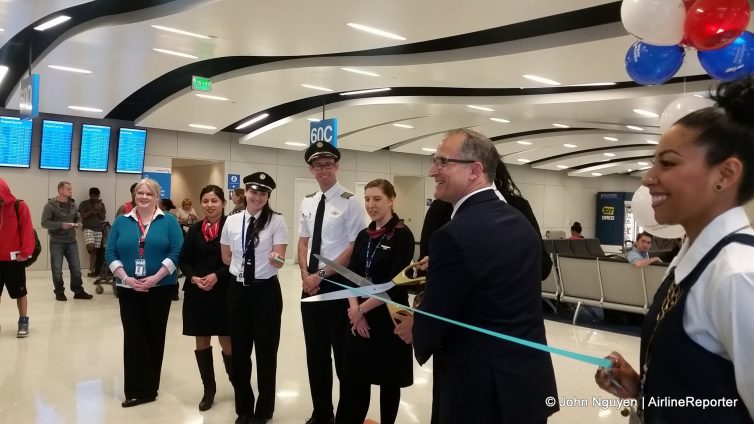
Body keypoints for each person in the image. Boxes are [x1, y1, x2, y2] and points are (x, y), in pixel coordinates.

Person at [595, 77, 754, 422]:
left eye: (666, 163)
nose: (648, 177)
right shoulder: (690, 257)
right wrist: (646, 389)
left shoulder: (739, 275)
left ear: (725, 174)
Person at [410, 128, 558, 423]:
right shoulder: (520, 222)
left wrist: (416, 328)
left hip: (479, 390)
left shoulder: (452, 236)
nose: (432, 171)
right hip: (527, 383)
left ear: (474, 170)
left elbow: (435, 322)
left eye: (442, 162)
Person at [335, 179, 415, 424]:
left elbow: (393, 283)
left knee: (389, 382)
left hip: (389, 318)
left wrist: (360, 310)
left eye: (377, 199)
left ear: (391, 200)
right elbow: (350, 275)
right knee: (356, 379)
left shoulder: (403, 237)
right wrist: (354, 310)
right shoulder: (363, 236)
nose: (371, 204)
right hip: (359, 315)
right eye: (367, 199)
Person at [298, 141, 365, 424]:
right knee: (316, 354)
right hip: (309, 285)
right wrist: (305, 274)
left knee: (342, 355)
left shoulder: (351, 201)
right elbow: (303, 242)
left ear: (336, 167)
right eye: (317, 165)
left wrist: (320, 275)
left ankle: (345, 416)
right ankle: (321, 412)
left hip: (336, 286)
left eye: (328, 164)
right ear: (311, 170)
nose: (323, 169)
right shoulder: (308, 201)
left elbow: (353, 248)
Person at [105, 178, 184, 408]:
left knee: (154, 336)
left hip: (160, 288)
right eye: (140, 193)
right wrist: (126, 277)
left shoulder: (168, 221)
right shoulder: (122, 221)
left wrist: (155, 277)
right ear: (134, 196)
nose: (144, 197)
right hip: (128, 289)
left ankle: (150, 389)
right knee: (133, 337)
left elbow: (176, 251)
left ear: (157, 196)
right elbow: (110, 253)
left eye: (149, 193)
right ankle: (134, 389)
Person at [220, 172, 288, 424]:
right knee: (239, 354)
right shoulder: (232, 220)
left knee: (266, 353)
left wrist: (275, 259)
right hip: (238, 291)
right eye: (254, 191)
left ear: (268, 196)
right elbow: (226, 257)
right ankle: (244, 407)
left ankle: (264, 410)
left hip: (265, 292)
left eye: (263, 193)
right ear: (245, 192)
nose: (258, 197)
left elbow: (280, 259)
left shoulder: (276, 221)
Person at [179, 185, 232, 412]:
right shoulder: (195, 229)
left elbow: (236, 260)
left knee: (227, 341)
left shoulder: (232, 227)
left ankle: (238, 384)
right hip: (197, 292)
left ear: (223, 204)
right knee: (201, 341)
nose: (210, 205)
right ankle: (208, 390)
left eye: (214, 201)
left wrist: (216, 276)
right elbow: (184, 259)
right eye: (206, 201)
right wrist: (193, 278)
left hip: (224, 291)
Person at [41, 181, 93, 301]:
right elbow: (44, 223)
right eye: (68, 189)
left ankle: (78, 291)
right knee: (57, 269)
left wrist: (79, 223)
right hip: (57, 242)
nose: (71, 191)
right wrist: (60, 225)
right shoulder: (50, 205)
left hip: (71, 241)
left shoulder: (72, 204)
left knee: (76, 268)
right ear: (60, 190)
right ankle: (59, 292)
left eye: (71, 189)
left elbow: (77, 217)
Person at [0, 179, 34, 338]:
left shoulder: (18, 206)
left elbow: (27, 229)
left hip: (14, 260)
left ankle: (23, 320)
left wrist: (26, 251)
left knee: (20, 293)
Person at [78, 187, 107, 277]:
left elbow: (103, 218)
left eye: (97, 196)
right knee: (91, 246)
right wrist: (92, 211)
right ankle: (89, 249)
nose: (96, 198)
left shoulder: (101, 204)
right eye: (94, 196)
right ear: (90, 195)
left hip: (98, 228)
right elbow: (82, 216)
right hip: (87, 228)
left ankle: (91, 270)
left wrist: (99, 211)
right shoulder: (84, 203)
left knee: (95, 251)